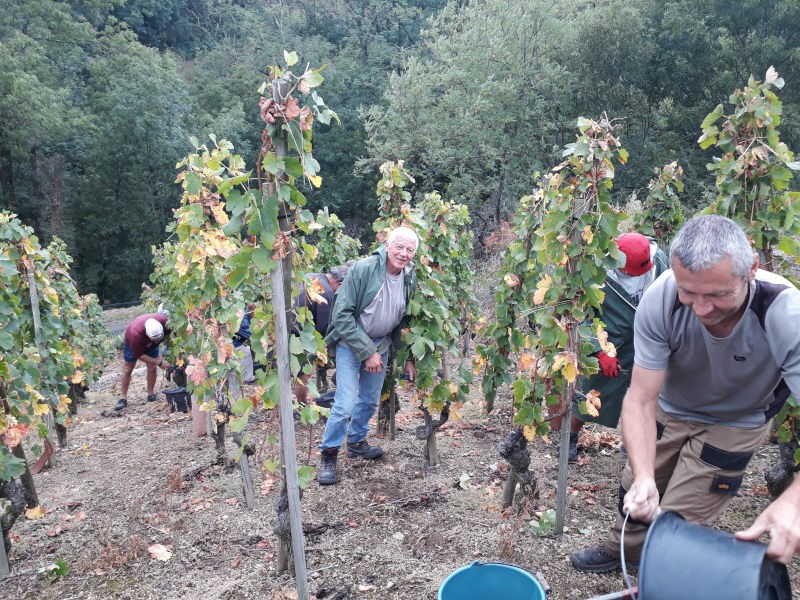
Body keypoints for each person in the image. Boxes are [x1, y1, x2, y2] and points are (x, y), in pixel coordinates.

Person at [571, 215, 800, 572]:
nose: (702, 308)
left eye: (718, 295)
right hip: (669, 409)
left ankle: (661, 573)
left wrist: (794, 503)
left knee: (682, 519)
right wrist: (645, 476)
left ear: (751, 269)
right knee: (636, 490)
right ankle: (625, 554)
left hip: (736, 423)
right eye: (688, 292)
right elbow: (641, 398)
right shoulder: (660, 299)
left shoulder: (785, 313)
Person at [317, 227, 419, 485]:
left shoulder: (410, 276)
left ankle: (356, 442)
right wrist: (367, 352)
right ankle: (328, 454)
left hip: (381, 345)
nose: (404, 253)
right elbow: (341, 316)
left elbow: (405, 320)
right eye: (399, 247)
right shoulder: (364, 270)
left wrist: (408, 357)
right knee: (344, 405)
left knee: (370, 401)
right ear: (388, 246)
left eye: (410, 249)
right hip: (352, 345)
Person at [564, 233, 669, 461]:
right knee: (590, 391)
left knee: (646, 395)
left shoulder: (658, 261)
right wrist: (599, 350)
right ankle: (569, 437)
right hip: (611, 344)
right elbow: (579, 315)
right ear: (619, 265)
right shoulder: (596, 273)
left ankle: (633, 441)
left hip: (648, 341)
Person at [292, 263, 353, 405]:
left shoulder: (311, 276)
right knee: (304, 373)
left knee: (287, 374)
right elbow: (324, 328)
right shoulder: (326, 293)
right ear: (340, 283)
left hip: (285, 328)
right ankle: (301, 405)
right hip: (297, 334)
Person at [114, 313, 172, 410]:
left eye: (159, 339)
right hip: (132, 342)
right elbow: (139, 355)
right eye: (154, 340)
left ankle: (151, 394)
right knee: (128, 369)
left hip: (150, 341)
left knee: (152, 368)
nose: (157, 342)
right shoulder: (135, 334)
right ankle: (123, 398)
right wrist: (160, 362)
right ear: (147, 334)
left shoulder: (165, 323)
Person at [233, 305, 256, 384]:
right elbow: (249, 335)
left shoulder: (245, 314)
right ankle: (247, 379)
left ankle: (245, 378)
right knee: (245, 351)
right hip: (235, 345)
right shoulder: (244, 320)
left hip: (235, 342)